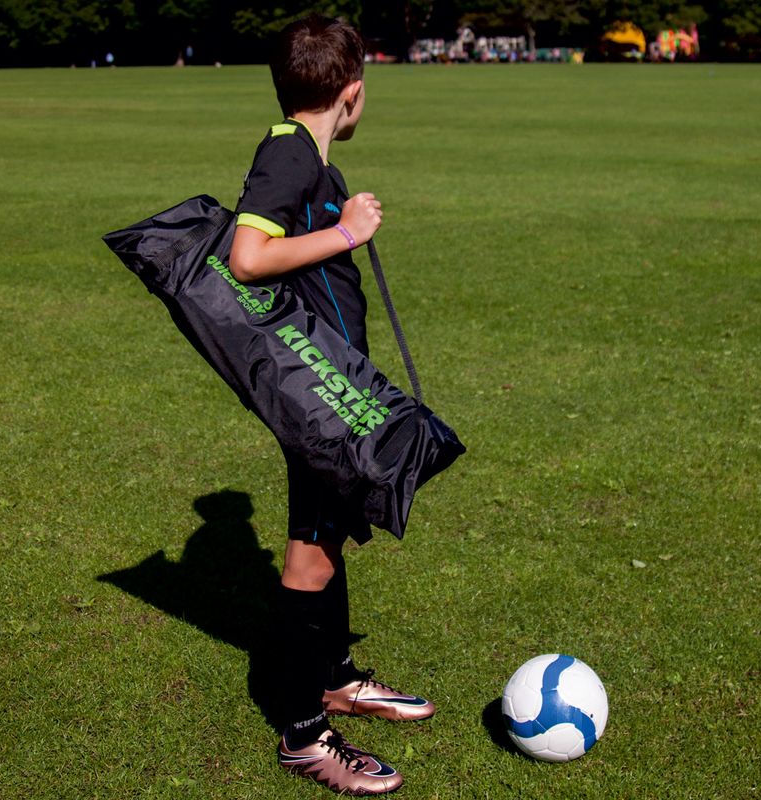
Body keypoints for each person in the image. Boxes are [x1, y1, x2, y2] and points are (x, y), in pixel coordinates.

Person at [229, 14, 434, 796]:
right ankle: (303, 735)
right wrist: (346, 233)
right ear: (352, 95)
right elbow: (249, 256)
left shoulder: (306, 156)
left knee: (330, 536)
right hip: (314, 397)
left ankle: (335, 676)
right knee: (309, 555)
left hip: (331, 388)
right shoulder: (288, 156)